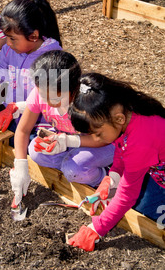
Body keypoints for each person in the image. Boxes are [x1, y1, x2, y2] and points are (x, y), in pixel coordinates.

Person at [67, 72, 165, 251]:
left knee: (145, 209)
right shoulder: (128, 114)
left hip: (159, 174)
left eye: (97, 133)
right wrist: (113, 178)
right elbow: (121, 147)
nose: (96, 138)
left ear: (118, 119)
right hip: (157, 171)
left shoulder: (141, 139)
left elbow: (127, 195)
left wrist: (96, 228)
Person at [10, 51, 115, 207]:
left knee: (73, 168)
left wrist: (67, 141)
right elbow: (23, 130)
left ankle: (105, 179)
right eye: (42, 94)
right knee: (36, 151)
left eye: (54, 97)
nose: (47, 101)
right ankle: (75, 170)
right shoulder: (41, 93)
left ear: (73, 89)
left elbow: (105, 138)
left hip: (106, 145)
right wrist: (20, 166)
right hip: (73, 143)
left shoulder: (86, 103)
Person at [0, 0, 63, 142]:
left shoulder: (54, 58)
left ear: (33, 36)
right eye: (6, 37)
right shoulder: (10, 50)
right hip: (12, 118)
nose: (7, 43)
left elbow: (50, 99)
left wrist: (16, 108)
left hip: (39, 127)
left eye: (12, 38)